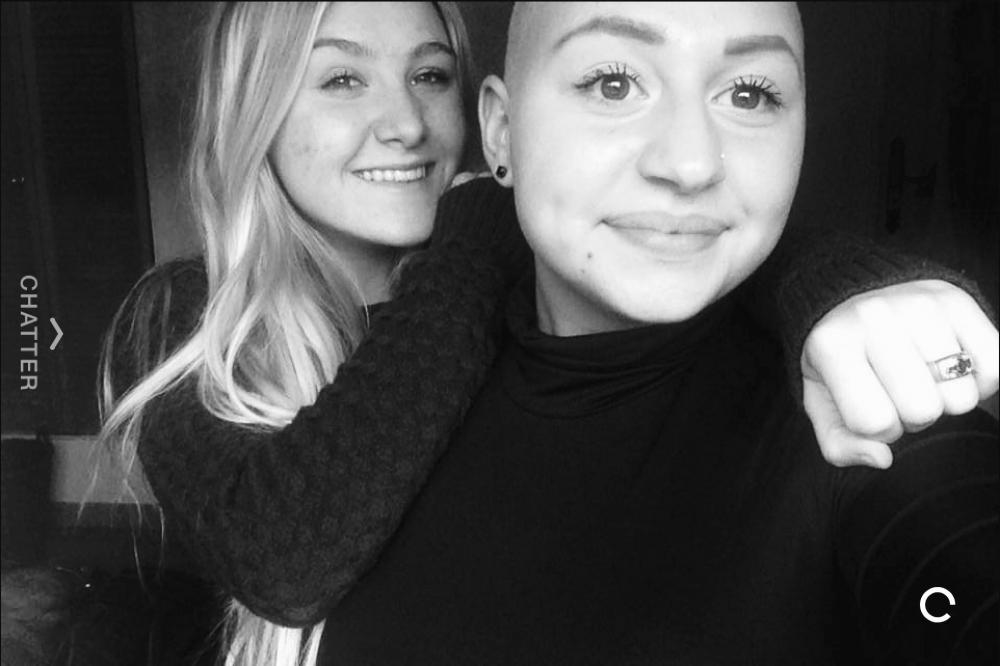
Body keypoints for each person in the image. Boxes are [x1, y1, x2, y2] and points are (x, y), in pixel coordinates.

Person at [96, 2, 998, 665]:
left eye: (430, 75)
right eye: (341, 78)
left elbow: (695, 249)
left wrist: (844, 287)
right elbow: (285, 555)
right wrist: (486, 223)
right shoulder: (192, 319)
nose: (405, 124)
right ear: (252, 108)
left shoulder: (531, 306)